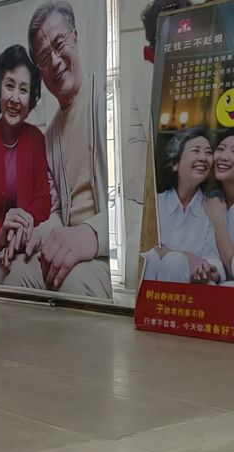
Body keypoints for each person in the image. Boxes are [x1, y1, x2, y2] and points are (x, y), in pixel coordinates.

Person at [2, 1, 113, 298]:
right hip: (69, 246)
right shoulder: (50, 135)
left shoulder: (107, 100)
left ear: (75, 37)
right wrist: (34, 235)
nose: (54, 61)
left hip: (106, 249)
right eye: (43, 57)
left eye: (60, 44)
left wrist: (91, 234)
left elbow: (136, 201)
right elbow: (59, 213)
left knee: (71, 284)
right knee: (13, 275)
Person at [123, 1, 193, 288]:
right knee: (147, 265)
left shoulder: (166, 70)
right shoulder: (149, 73)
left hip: (161, 187)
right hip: (147, 192)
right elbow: (167, 133)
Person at [0, 45, 52, 283]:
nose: (15, 99)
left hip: (25, 246)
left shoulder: (37, 139)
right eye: (9, 86)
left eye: (23, 90)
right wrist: (1, 233)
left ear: (31, 99)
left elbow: (43, 201)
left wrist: (22, 225)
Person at [143, 127, 224, 283]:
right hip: (152, 290)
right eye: (196, 151)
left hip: (191, 292)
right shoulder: (155, 204)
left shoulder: (212, 210)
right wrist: (187, 257)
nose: (203, 158)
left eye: (208, 152)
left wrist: (209, 271)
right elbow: (143, 248)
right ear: (175, 164)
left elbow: (213, 259)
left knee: (175, 261)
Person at [204, 129, 234, 282]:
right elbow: (210, 253)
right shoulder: (212, 200)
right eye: (220, 149)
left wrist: (218, 221)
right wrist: (211, 272)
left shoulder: (214, 210)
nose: (223, 157)